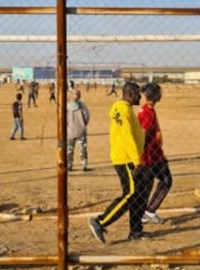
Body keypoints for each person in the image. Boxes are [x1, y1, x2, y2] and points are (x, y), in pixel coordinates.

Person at [89, 82, 147, 244]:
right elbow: (127, 136)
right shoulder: (123, 110)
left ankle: (135, 230)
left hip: (128, 157)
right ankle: (100, 221)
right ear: (130, 94)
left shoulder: (123, 108)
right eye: (138, 93)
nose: (140, 96)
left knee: (138, 194)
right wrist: (137, 161)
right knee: (130, 194)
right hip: (126, 159)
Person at [137, 83, 172, 225]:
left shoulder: (147, 109)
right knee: (166, 180)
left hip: (154, 154)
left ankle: (145, 212)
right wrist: (142, 157)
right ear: (154, 95)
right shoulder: (148, 113)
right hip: (151, 156)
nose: (160, 94)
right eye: (159, 92)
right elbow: (143, 136)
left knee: (149, 185)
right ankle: (148, 212)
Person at [67, 89, 91, 171]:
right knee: (83, 148)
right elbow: (87, 116)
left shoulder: (68, 106)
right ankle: (84, 164)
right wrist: (83, 124)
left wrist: (68, 126)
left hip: (70, 130)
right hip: (81, 130)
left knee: (70, 149)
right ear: (80, 96)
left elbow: (65, 118)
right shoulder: (83, 106)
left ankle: (69, 164)